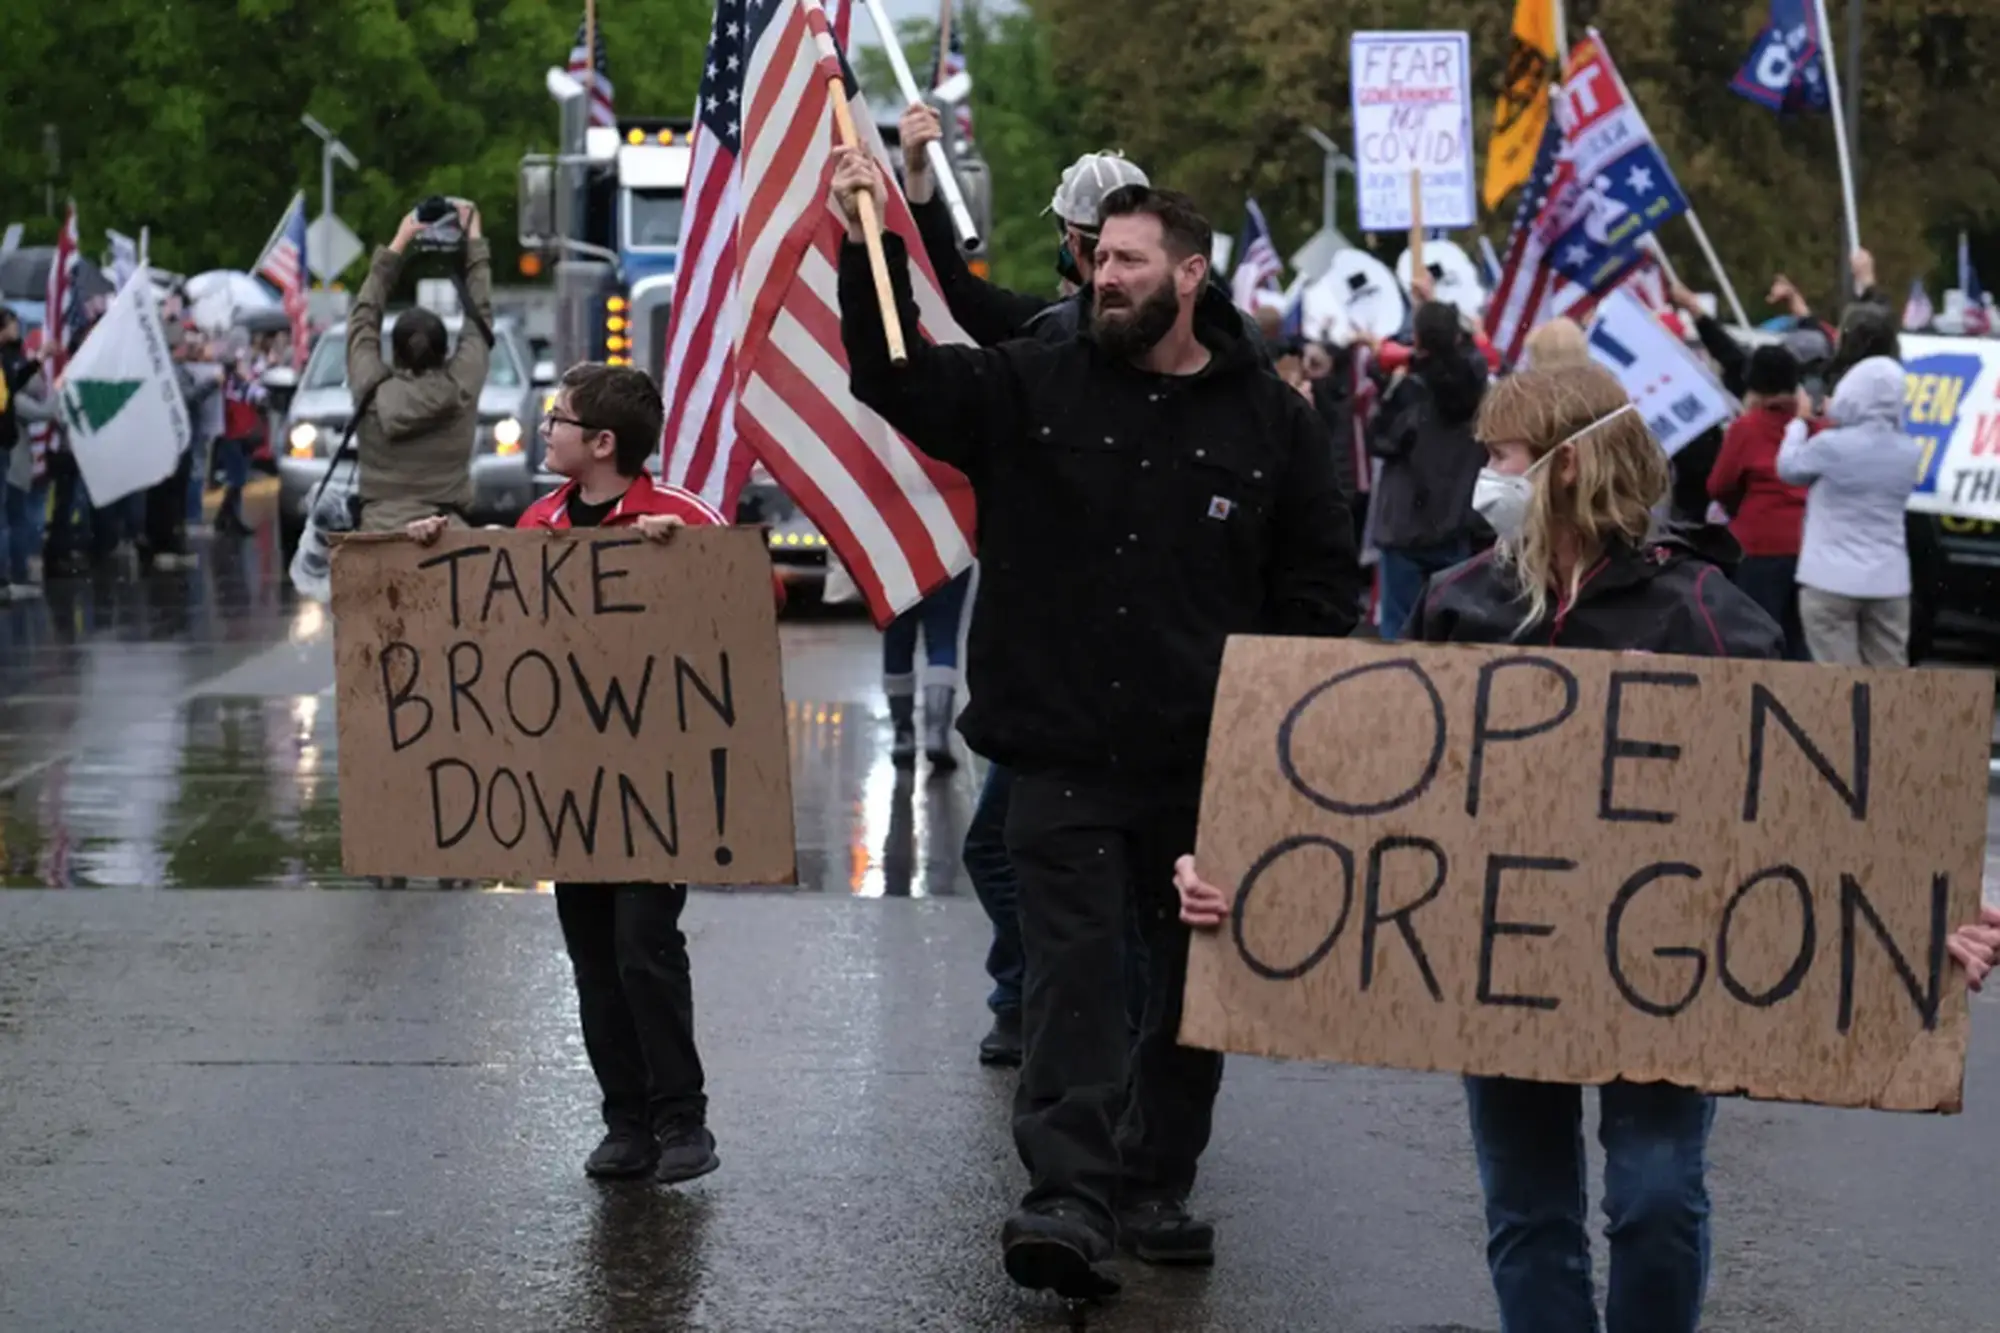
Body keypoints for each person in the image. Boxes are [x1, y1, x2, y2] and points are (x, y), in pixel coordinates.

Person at [1176, 360, 2000, 1332]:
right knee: (1528, 1210)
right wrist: (1240, 864)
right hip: (1499, 963)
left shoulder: (1700, 611)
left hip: (1662, 962)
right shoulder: (1456, 602)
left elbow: (1810, 817)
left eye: (1502, 454)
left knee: (1653, 1199)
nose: (1485, 475)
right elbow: (1376, 790)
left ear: (1568, 465)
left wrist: (1928, 912)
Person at [833, 151, 1363, 1298]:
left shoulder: (1271, 420)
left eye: (1124, 261)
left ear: (1187, 274)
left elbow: (1316, 592)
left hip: (1201, 763)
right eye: (1093, 259)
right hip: (1059, 750)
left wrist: (1294, 752)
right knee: (1073, 974)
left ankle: (1152, 1182)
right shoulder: (1033, 378)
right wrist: (865, 232)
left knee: (1184, 985)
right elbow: (893, 375)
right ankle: (1066, 1197)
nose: (1099, 277)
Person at [408, 363, 750, 1184]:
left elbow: (746, 608)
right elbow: (493, 622)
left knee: (644, 943)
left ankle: (682, 1119)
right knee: (593, 952)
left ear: (603, 443)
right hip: (571, 782)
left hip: (655, 784)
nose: (546, 427)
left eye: (559, 418)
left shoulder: (681, 516)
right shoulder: (540, 522)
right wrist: (437, 551)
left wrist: (680, 564)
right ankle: (624, 1123)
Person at [899, 103, 1165, 1063]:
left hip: (1112, 663)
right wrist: (919, 180)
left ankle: (1089, 1012)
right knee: (1035, 852)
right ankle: (1045, 996)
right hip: (1074, 653)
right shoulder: (1058, 332)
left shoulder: (1159, 356)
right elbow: (965, 302)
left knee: (1080, 862)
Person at [1777, 324, 1919, 666]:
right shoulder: (1908, 451)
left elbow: (1788, 468)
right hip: (1889, 582)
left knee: (1840, 686)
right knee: (1889, 682)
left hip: (1828, 580)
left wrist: (1799, 423)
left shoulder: (1830, 446)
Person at [351, 201, 493, 534]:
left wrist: (398, 243)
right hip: (449, 537)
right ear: (445, 351)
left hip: (377, 534)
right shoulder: (461, 388)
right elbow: (480, 320)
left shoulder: (369, 386)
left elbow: (363, 316)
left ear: (394, 351)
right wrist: (474, 237)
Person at [1368, 298, 1489, 639]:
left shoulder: (1412, 389)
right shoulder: (1479, 386)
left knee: (1399, 632)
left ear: (1418, 340)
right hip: (1455, 521)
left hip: (1406, 526)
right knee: (1452, 629)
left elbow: (1381, 440)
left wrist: (1388, 390)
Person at [1708, 344, 1809, 658]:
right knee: (1800, 643)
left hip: (1758, 547)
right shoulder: (1813, 427)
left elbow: (1718, 485)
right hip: (1810, 548)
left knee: (1755, 639)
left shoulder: (1746, 428)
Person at [882, 568, 970, 769]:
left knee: (897, 644)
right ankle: (936, 734)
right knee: (943, 640)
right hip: (947, 558)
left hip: (894, 561)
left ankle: (903, 735)